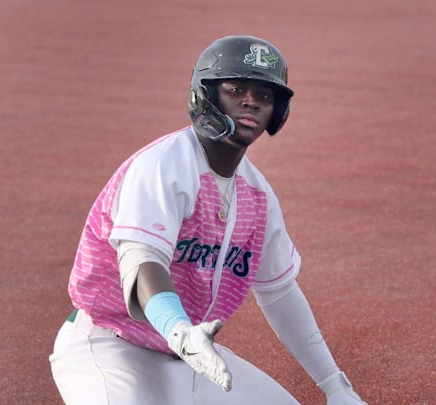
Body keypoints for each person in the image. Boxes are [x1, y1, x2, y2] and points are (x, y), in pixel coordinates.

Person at [49, 35, 368, 405]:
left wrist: (334, 385)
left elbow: (279, 292)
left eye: (264, 96)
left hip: (188, 358)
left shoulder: (257, 196)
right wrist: (180, 331)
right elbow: (142, 262)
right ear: (207, 96)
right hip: (109, 347)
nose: (251, 101)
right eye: (237, 89)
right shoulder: (163, 166)